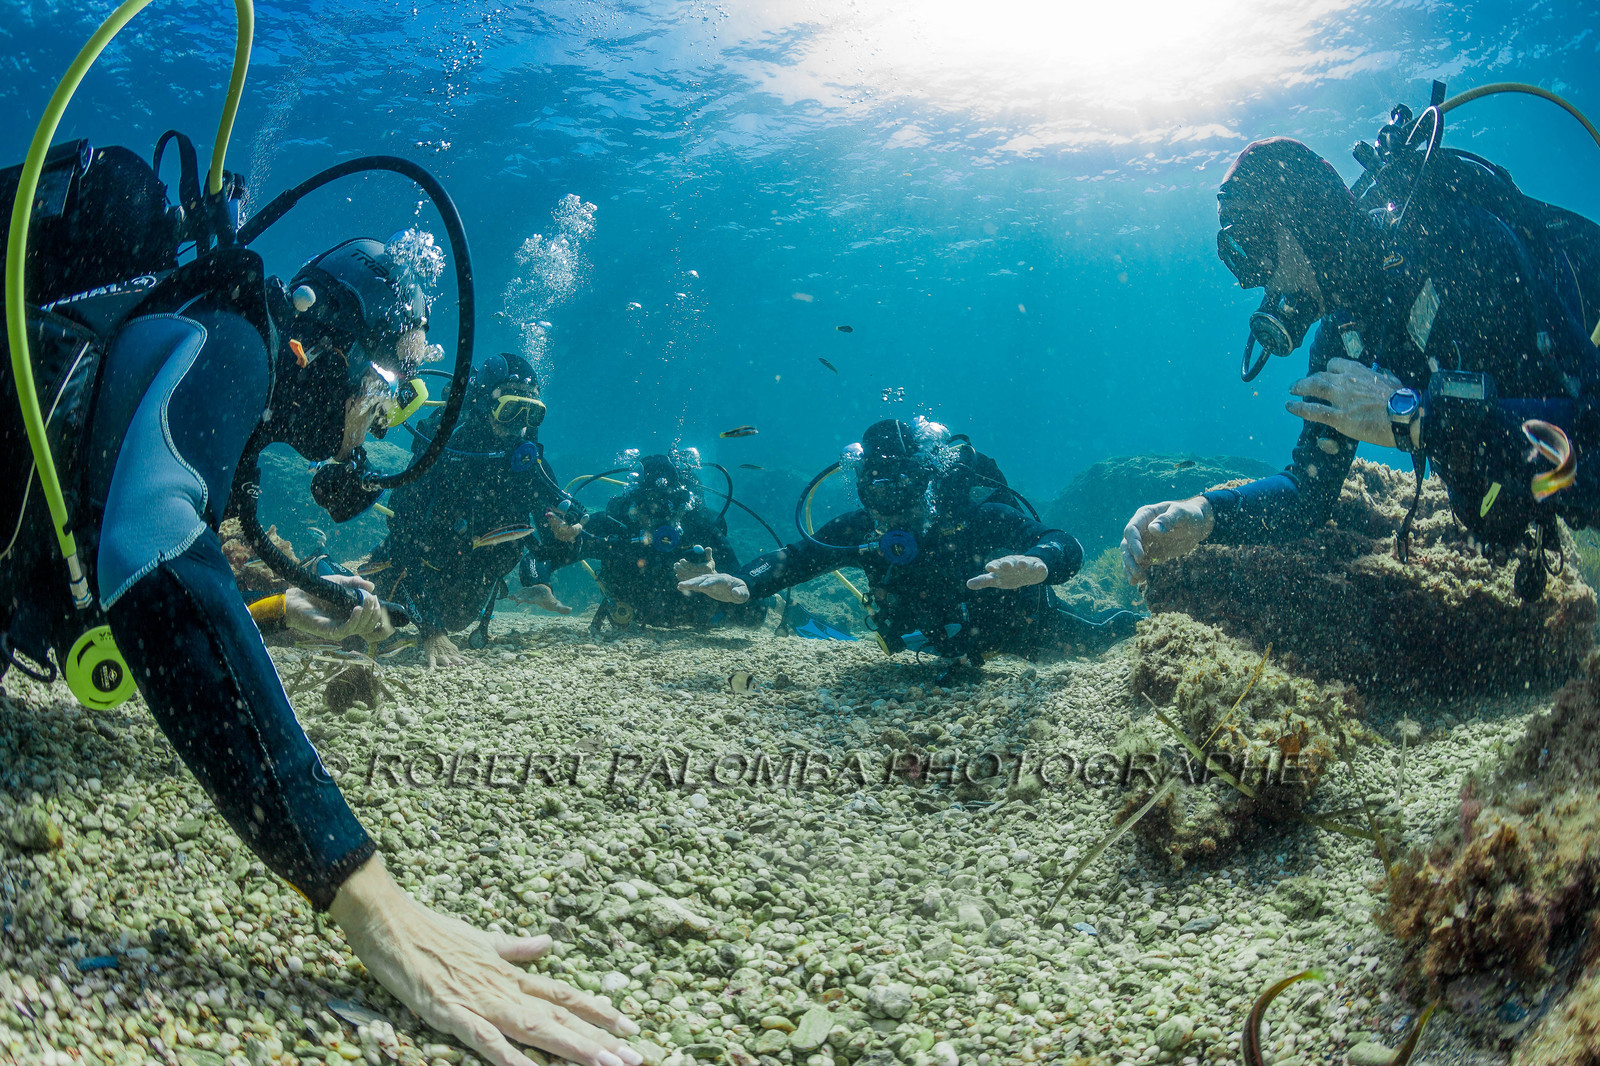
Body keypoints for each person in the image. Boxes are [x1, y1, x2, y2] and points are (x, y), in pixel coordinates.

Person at [1, 220, 640, 1066]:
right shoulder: (234, 341)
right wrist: (365, 893)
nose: (380, 425)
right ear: (328, 348)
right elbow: (150, 551)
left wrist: (275, 614)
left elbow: (143, 559)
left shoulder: (225, 369)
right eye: (388, 385)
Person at [1123, 131, 1600, 599]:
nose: (1256, 279)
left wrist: (1413, 417)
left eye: (1259, 244)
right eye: (1239, 255)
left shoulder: (1456, 250)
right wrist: (1204, 514)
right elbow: (1307, 492)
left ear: (1307, 221)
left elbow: (1592, 438)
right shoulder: (1342, 335)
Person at [680, 418, 1138, 678]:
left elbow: (1065, 543)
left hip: (1027, 635)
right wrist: (744, 582)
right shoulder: (864, 529)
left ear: (924, 483)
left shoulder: (975, 517)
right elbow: (797, 559)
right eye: (873, 494)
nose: (887, 509)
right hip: (942, 651)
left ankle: (1141, 622)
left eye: (899, 490)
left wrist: (1039, 562)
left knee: (1099, 637)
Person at [367, 352, 583, 667]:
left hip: (471, 589)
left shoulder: (527, 463)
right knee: (355, 625)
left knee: (452, 621)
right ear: (484, 402)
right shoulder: (444, 447)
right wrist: (431, 630)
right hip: (414, 574)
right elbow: (402, 537)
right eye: (511, 409)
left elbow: (542, 541)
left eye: (531, 413)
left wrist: (552, 555)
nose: (519, 425)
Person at [539, 449, 767, 633]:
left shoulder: (701, 531)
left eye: (669, 506)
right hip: (633, 618)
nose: (659, 515)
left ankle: (780, 602)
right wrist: (540, 583)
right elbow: (543, 557)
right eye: (648, 505)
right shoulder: (614, 526)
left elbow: (754, 613)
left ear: (683, 505)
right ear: (632, 504)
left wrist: (719, 581)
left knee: (756, 606)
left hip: (703, 621)